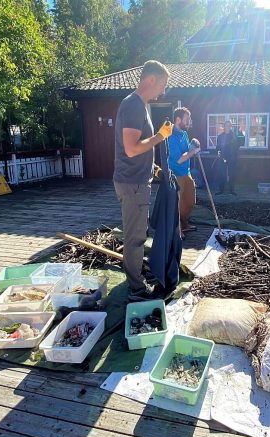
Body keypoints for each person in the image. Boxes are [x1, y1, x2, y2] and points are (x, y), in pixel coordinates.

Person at [113, 60, 173, 302]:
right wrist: (160, 136)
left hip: (137, 180)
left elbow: (138, 149)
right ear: (150, 79)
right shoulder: (133, 106)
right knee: (135, 237)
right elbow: (130, 149)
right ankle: (136, 288)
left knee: (137, 233)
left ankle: (135, 275)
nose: (163, 90)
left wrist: (154, 168)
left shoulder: (139, 106)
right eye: (163, 84)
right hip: (133, 184)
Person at [167, 107, 201, 238]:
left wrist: (193, 144)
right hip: (176, 174)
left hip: (187, 173)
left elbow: (187, 150)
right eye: (187, 119)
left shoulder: (185, 134)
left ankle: (185, 224)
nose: (189, 122)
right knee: (177, 204)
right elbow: (180, 159)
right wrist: (193, 152)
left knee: (190, 201)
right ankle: (178, 229)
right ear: (178, 119)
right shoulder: (171, 137)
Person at [215, 120, 241, 195]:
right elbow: (217, 147)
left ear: (230, 127)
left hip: (232, 157)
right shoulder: (220, 136)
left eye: (229, 125)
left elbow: (238, 146)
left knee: (232, 173)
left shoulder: (234, 136)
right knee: (221, 174)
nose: (228, 127)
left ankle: (232, 190)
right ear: (224, 127)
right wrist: (218, 153)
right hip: (222, 157)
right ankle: (221, 190)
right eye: (226, 125)